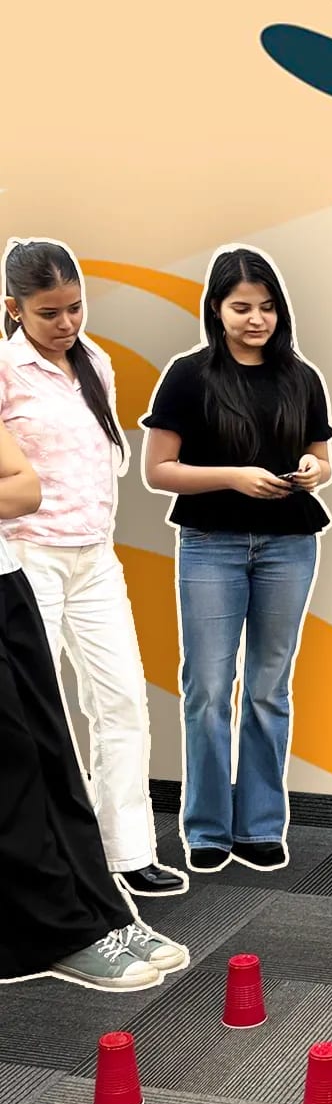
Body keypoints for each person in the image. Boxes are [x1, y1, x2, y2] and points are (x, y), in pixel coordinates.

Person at [0, 239, 186, 899]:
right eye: (49, 313)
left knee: (122, 702)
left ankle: (126, 852)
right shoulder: (5, 371)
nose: (67, 323)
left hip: (95, 559)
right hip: (28, 559)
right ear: (14, 309)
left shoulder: (95, 362)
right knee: (36, 718)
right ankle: (49, 864)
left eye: (75, 308)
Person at [140, 246, 332, 874]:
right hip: (211, 544)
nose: (257, 319)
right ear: (216, 310)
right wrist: (235, 476)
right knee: (206, 689)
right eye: (242, 307)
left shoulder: (301, 377)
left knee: (269, 689)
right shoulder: (189, 375)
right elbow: (158, 471)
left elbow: (322, 459)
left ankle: (259, 826)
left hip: (289, 543)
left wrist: (313, 471)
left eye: (267, 307)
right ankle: (205, 829)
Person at [0, 418, 186, 990]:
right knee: (12, 768)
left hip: (5, 580)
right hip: (32, 559)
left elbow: (25, 487)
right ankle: (59, 930)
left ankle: (100, 912)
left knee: (52, 755)